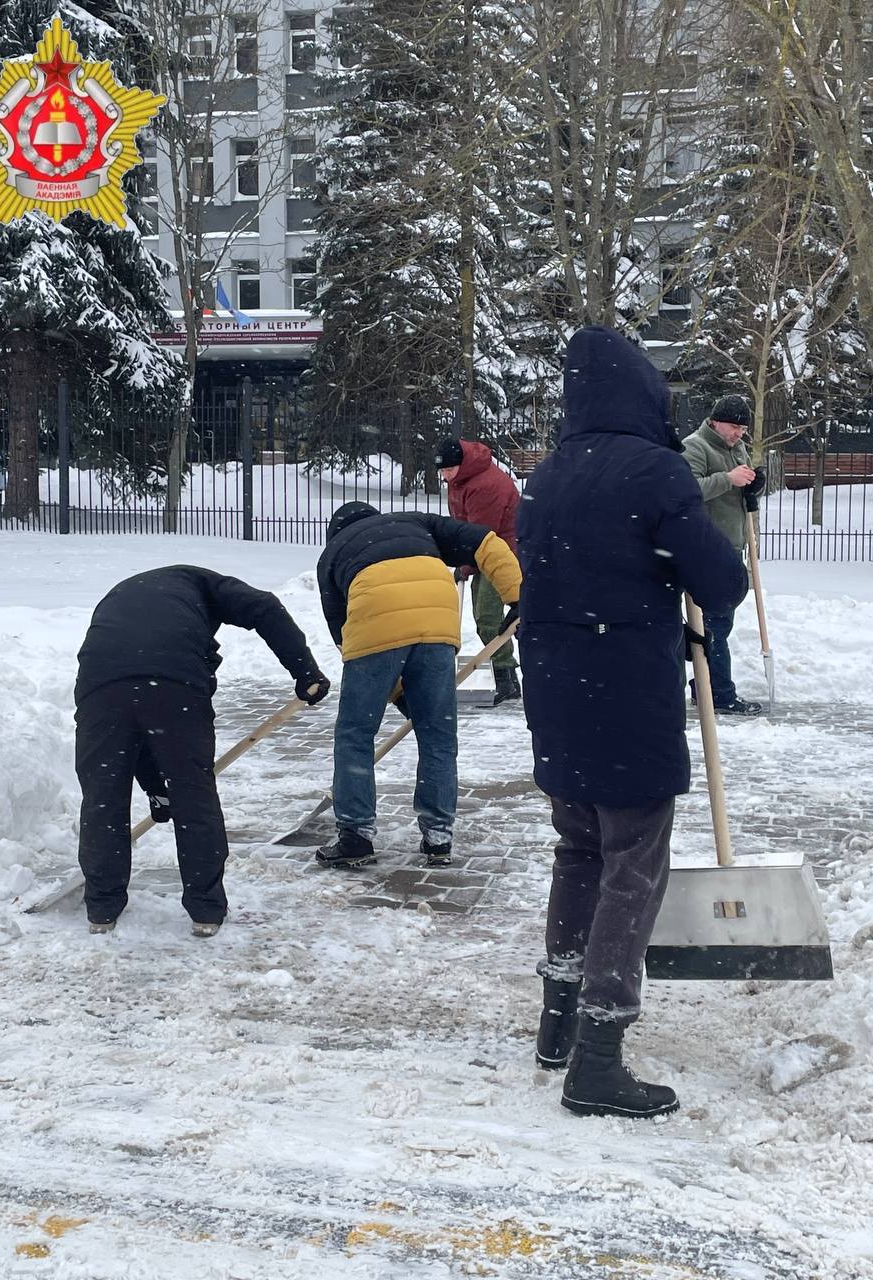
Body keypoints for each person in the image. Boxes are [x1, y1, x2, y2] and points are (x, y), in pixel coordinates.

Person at [517, 327, 748, 1119]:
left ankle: (557, 1023)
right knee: (633, 864)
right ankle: (599, 1057)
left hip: (557, 696)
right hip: (625, 698)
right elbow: (718, 581)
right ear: (644, 394)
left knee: (579, 850)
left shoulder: (546, 475)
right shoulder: (654, 469)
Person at [74, 565, 329, 937]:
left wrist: (158, 791)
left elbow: (137, 721)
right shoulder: (209, 586)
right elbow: (266, 607)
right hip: (174, 684)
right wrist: (306, 672)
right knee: (194, 796)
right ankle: (205, 910)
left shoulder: (127, 594)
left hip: (100, 688)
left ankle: (102, 908)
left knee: (103, 796)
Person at [316, 503, 521, 869]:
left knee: (355, 735)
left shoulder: (333, 553)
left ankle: (355, 836)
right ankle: (438, 836)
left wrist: (392, 691)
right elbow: (487, 542)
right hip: (436, 616)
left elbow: (346, 636)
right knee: (437, 736)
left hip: (373, 615)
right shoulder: (416, 522)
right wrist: (519, 597)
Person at [681, 395, 766, 716]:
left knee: (720, 623)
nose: (738, 434)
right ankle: (719, 693)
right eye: (733, 427)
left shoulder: (737, 448)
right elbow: (686, 490)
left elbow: (737, 490)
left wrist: (752, 485)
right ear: (715, 421)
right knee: (714, 624)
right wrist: (728, 479)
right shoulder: (695, 447)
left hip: (731, 544)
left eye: (743, 429)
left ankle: (704, 685)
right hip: (706, 547)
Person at [434, 436, 522, 705]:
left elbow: (481, 534)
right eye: (442, 471)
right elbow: (464, 525)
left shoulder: (485, 486)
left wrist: (465, 563)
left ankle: (507, 680)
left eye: (449, 470)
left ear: (462, 464)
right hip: (484, 553)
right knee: (483, 617)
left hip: (504, 553)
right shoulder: (461, 479)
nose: (445, 476)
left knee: (488, 617)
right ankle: (506, 678)